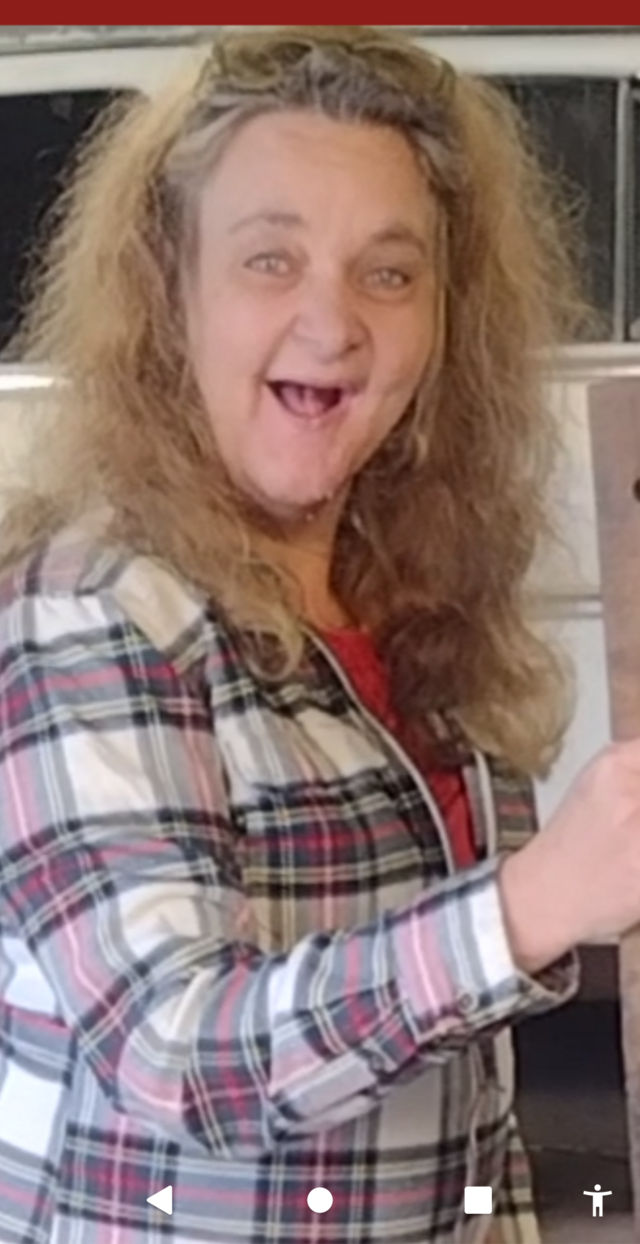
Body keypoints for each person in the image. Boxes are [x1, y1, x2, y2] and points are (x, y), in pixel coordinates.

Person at [0, 24, 639, 1244]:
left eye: (389, 272)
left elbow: (462, 1074)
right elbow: (174, 1054)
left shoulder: (413, 597)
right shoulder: (88, 610)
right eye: (270, 260)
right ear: (168, 291)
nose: (333, 320)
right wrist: (529, 903)